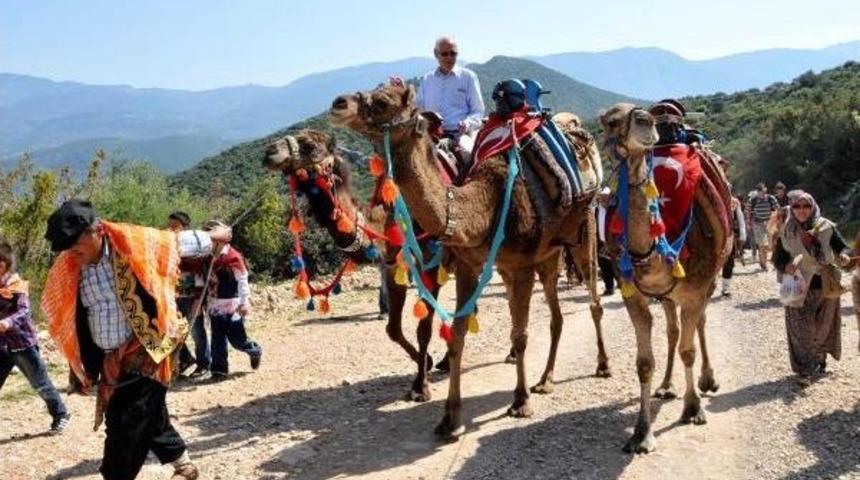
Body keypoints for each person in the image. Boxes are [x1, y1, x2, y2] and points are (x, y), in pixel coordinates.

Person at [41, 199, 230, 480]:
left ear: (95, 231)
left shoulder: (132, 244)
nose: (70, 252)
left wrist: (217, 237)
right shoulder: (71, 266)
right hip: (110, 358)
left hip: (148, 347)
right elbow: (70, 314)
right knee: (150, 414)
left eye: (74, 243)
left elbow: (176, 242)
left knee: (125, 422)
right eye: (65, 247)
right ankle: (184, 465)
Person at [772, 192, 852, 385]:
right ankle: (804, 370)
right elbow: (778, 258)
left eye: (806, 206)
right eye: (797, 206)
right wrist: (785, 267)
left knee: (823, 325)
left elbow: (841, 246)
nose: (801, 210)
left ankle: (819, 358)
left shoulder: (826, 226)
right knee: (801, 329)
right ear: (792, 208)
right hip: (798, 284)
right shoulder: (787, 230)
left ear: (812, 207)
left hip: (825, 283)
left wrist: (844, 255)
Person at [0, 239, 71, 434]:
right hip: (2, 346)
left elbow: (24, 312)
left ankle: (61, 414)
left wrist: (8, 322)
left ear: (2, 265)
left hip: (23, 345)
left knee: (41, 384)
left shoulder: (17, 285)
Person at [202, 220, 262, 381]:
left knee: (237, 339)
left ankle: (254, 350)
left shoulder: (232, 256)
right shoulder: (206, 256)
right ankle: (219, 369)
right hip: (214, 305)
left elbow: (242, 279)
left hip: (232, 305)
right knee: (217, 337)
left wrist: (244, 302)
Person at [415, 36, 485, 158]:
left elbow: (478, 111)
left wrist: (467, 123)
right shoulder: (427, 80)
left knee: (470, 156)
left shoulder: (468, 77)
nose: (449, 58)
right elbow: (418, 109)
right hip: (431, 136)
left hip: (459, 135)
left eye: (453, 53)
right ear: (436, 54)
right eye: (445, 54)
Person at [167, 212, 211, 380]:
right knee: (174, 332)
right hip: (174, 300)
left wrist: (198, 300)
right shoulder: (170, 251)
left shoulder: (195, 253)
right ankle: (185, 360)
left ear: (184, 227)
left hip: (192, 299)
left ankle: (204, 364)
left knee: (197, 332)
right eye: (169, 226)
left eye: (175, 226)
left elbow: (200, 277)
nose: (171, 229)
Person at [746, 183, 779, 271]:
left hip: (770, 223)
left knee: (770, 246)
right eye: (760, 191)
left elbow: (778, 210)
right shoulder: (752, 200)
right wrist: (748, 223)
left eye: (763, 190)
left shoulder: (771, 199)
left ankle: (762, 259)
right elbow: (748, 211)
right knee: (762, 244)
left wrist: (777, 221)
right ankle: (764, 264)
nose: (762, 193)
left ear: (766, 189)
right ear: (757, 192)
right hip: (758, 223)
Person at [595, 187, 616, 295]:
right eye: (602, 196)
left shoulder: (614, 210)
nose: (603, 199)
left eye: (606, 196)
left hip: (614, 243)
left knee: (616, 265)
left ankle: (622, 285)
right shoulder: (597, 210)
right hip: (601, 243)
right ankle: (609, 287)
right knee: (604, 266)